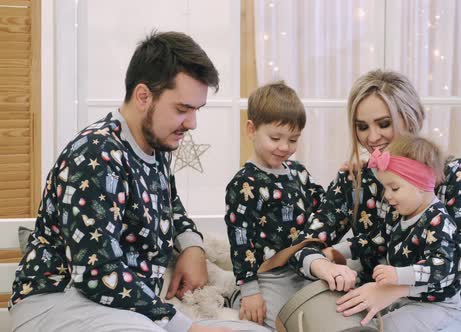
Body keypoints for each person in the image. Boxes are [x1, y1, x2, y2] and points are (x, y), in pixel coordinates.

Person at [10, 31, 268, 332]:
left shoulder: (154, 150)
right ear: (144, 96)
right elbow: (96, 272)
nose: (192, 123)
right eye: (182, 109)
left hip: (120, 306)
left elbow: (172, 207)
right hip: (60, 301)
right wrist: (186, 327)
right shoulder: (96, 154)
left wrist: (192, 248)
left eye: (196, 110)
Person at [292, 70, 461, 331]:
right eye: (362, 127)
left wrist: (398, 287)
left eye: (383, 124)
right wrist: (325, 267)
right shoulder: (355, 178)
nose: (372, 138)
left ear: (411, 117)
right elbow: (305, 244)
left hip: (451, 304)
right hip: (378, 303)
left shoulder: (450, 173)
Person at [224, 82, 354, 330]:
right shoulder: (244, 183)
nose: (285, 147)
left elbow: (323, 208)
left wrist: (343, 180)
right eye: (275, 138)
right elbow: (240, 239)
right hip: (267, 273)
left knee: (322, 316)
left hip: (302, 266)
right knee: (274, 322)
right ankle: (238, 295)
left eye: (293, 139)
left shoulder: (298, 172)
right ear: (251, 129)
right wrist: (250, 289)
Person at [336, 135, 461, 331]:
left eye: (394, 188)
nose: (387, 196)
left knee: (385, 328)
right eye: (385, 188)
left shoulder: (438, 221)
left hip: (436, 304)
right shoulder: (398, 214)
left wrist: (398, 275)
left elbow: (440, 267)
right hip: (406, 298)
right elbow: (376, 240)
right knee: (360, 319)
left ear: (421, 184)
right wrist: (337, 251)